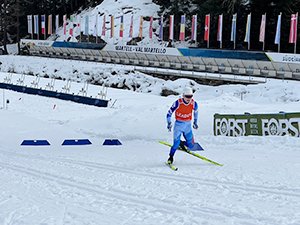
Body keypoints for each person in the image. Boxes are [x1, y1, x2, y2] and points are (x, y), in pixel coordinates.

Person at [166, 86, 199, 164]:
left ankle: (182, 144)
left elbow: (196, 112)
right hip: (179, 126)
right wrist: (169, 122)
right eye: (187, 96)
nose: (189, 98)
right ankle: (170, 157)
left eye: (190, 96)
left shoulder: (193, 103)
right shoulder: (178, 103)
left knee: (191, 145)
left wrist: (195, 122)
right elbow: (169, 113)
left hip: (188, 126)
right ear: (183, 95)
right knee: (175, 144)